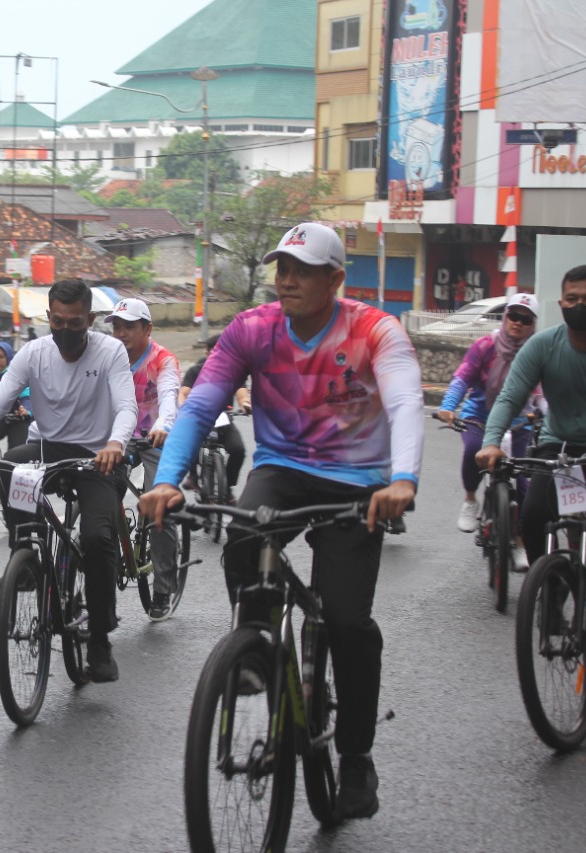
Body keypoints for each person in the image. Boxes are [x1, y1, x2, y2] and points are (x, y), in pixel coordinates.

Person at [140, 222, 423, 822]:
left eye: (303, 270)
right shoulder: (252, 329)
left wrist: (404, 478)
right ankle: (258, 642)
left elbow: (403, 401)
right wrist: (167, 478)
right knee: (242, 533)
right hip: (283, 468)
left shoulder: (375, 329)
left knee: (347, 621)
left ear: (335, 279)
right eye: (281, 268)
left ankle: (355, 757)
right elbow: (202, 405)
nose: (287, 280)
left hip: (358, 482)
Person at [0, 281, 137, 682]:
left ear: (90, 320)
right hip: (49, 449)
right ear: (48, 318)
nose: (66, 330)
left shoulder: (111, 352)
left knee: (96, 538)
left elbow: (126, 406)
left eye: (75, 323)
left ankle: (100, 639)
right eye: (58, 321)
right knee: (8, 468)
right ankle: (27, 558)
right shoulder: (34, 354)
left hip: (99, 457)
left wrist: (116, 443)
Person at [478, 265, 586, 568]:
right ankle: (549, 587)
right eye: (572, 298)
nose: (580, 305)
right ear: (562, 304)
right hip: (559, 448)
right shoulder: (542, 346)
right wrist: (490, 442)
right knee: (532, 517)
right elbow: (510, 397)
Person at [436, 292, 540, 569]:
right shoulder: (485, 345)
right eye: (513, 316)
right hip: (479, 418)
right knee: (473, 450)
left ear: (533, 324)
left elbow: (543, 393)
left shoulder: (536, 352)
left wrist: (549, 416)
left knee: (525, 484)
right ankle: (471, 500)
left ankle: (519, 542)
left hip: (520, 422)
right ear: (505, 317)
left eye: (525, 319)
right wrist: (448, 406)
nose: (517, 322)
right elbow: (462, 378)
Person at [104, 297, 182, 621]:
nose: (121, 333)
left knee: (158, 506)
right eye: (117, 326)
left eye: (129, 327)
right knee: (98, 499)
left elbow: (168, 395)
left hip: (154, 439)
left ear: (147, 328)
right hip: (118, 441)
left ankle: (164, 586)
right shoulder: (108, 357)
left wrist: (164, 424)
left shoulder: (163, 360)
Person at [178, 333, 250, 499]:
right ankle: (193, 477)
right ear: (207, 353)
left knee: (239, 450)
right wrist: (182, 405)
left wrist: (245, 402)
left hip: (223, 420)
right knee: (191, 443)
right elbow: (184, 392)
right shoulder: (196, 371)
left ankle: (228, 487)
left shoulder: (234, 371)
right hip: (199, 419)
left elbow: (241, 391)